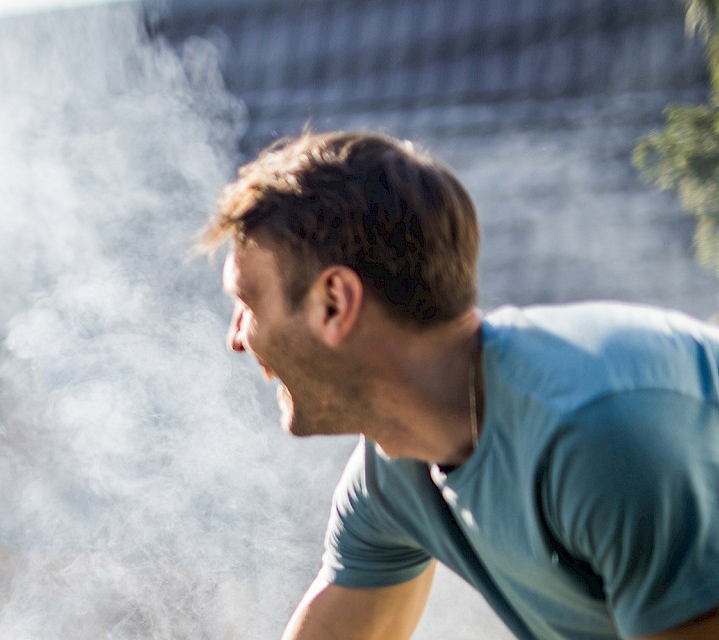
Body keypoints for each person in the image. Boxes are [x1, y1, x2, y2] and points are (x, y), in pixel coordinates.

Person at [203, 130, 719, 639]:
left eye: (247, 304)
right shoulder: (395, 472)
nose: (236, 339)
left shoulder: (601, 433)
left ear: (335, 303)